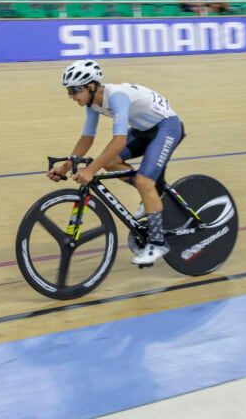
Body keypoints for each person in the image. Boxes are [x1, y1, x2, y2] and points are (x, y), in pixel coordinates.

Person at [48, 60, 184, 266]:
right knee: (110, 163)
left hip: (167, 127)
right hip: (144, 130)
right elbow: (87, 138)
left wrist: (91, 170)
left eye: (75, 90)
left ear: (91, 86)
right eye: (69, 90)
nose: (71, 96)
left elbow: (119, 140)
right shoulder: (93, 103)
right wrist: (66, 166)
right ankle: (154, 193)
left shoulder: (117, 96)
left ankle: (157, 243)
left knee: (144, 181)